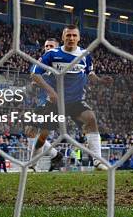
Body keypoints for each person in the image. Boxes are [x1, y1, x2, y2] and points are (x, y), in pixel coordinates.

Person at [31, 25, 113, 171]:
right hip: (55, 102)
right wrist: (50, 91)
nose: (71, 38)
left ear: (79, 38)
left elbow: (90, 74)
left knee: (91, 119)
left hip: (75, 101)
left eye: (74, 35)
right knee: (42, 135)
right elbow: (35, 75)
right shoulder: (51, 54)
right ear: (63, 38)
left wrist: (100, 80)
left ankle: (98, 162)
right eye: (68, 35)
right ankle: (31, 165)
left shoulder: (85, 55)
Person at [27, 37, 64, 172]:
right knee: (35, 134)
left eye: (51, 46)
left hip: (53, 103)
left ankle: (32, 165)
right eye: (46, 46)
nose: (48, 48)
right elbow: (33, 79)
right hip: (41, 102)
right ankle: (55, 155)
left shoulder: (61, 64)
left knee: (34, 132)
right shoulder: (40, 63)